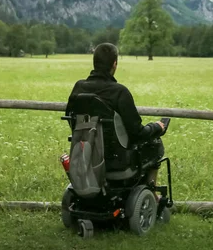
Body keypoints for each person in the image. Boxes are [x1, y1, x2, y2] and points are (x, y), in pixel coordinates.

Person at [65, 43, 166, 185]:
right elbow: (137, 133)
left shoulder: (79, 88)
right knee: (155, 144)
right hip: (117, 161)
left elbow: (72, 120)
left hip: (86, 154)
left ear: (95, 63)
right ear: (114, 64)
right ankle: (151, 191)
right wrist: (156, 127)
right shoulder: (119, 92)